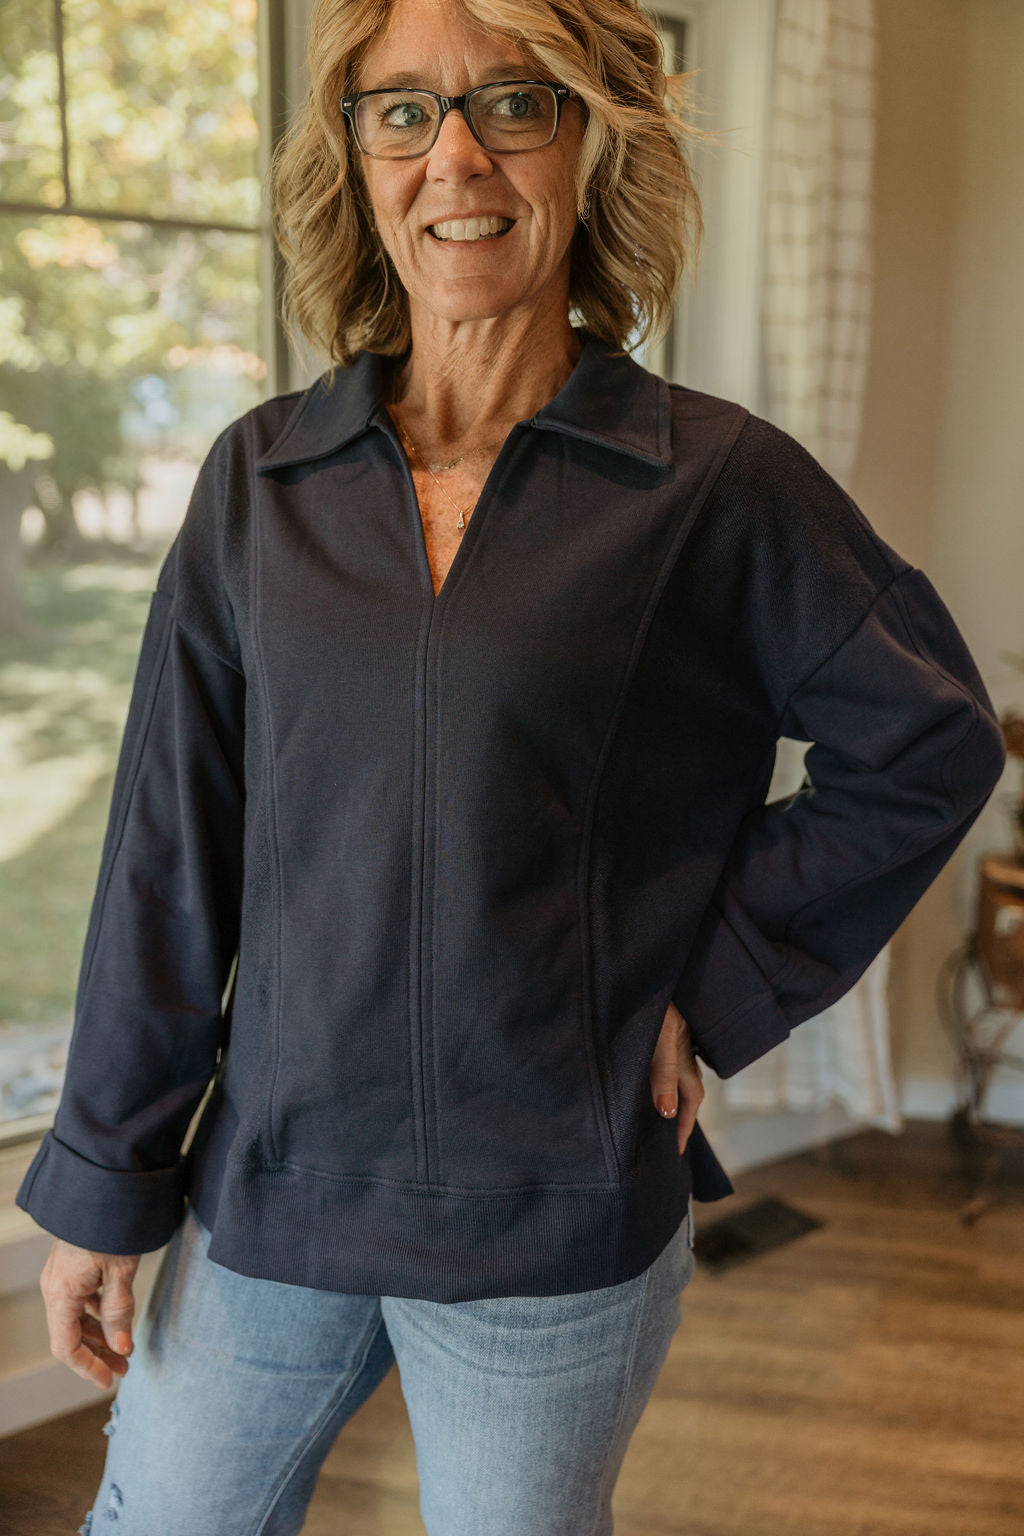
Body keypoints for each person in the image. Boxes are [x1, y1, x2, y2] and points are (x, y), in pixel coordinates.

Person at [16, 0, 1006, 1532]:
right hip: (269, 1192)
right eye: (403, 110)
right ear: (356, 160)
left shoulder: (716, 485)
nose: (456, 156)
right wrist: (103, 1182)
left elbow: (928, 737)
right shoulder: (259, 482)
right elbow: (168, 855)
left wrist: (718, 984)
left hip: (555, 1221)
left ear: (592, 140)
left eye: (513, 102)